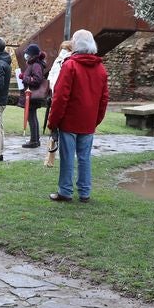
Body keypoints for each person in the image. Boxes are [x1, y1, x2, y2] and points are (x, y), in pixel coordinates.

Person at [46, 29, 109, 202]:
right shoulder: (100, 69)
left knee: (67, 158)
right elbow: (104, 99)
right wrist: (96, 120)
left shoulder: (70, 65)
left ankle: (65, 191)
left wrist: (53, 122)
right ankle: (85, 192)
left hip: (70, 121)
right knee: (84, 158)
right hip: (87, 122)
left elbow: (60, 97)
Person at [20, 44, 50, 149]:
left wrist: (24, 77)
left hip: (32, 95)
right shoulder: (34, 64)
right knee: (32, 117)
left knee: (31, 117)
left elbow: (37, 79)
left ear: (32, 55)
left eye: (27, 53)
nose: (26, 55)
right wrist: (24, 76)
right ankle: (35, 140)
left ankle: (34, 140)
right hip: (31, 94)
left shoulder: (36, 65)